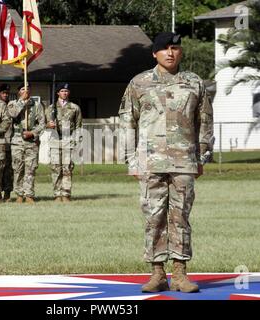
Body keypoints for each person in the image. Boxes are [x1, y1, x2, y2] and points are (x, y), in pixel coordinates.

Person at [118, 32, 214, 293]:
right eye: (164, 49)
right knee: (153, 217)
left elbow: (204, 121)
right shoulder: (139, 83)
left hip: (184, 161)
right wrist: (131, 159)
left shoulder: (194, 83)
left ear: (180, 51)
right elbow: (127, 121)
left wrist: (202, 156)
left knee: (180, 216)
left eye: (175, 48)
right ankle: (157, 273)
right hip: (150, 161)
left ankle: (180, 273)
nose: (170, 53)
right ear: (154, 53)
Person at [7, 83, 46, 204]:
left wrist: (33, 133)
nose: (26, 91)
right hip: (17, 141)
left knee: (30, 169)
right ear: (19, 92)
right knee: (18, 169)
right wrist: (22, 103)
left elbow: (42, 124)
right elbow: (13, 114)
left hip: (31, 141)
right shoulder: (12, 104)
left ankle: (29, 194)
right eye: (23, 89)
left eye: (28, 88)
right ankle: (19, 194)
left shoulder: (37, 105)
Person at [45, 83, 82, 202]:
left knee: (67, 168)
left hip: (68, 140)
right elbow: (43, 125)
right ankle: (57, 194)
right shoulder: (50, 108)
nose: (64, 93)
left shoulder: (75, 108)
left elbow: (78, 126)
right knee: (56, 168)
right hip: (55, 141)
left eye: (66, 91)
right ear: (57, 93)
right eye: (62, 91)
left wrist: (76, 141)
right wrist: (48, 125)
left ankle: (66, 194)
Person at [0, 84, 14, 202]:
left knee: (9, 170)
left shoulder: (12, 105)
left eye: (7, 93)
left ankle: (7, 193)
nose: (5, 95)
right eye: (3, 93)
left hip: (11, 142)